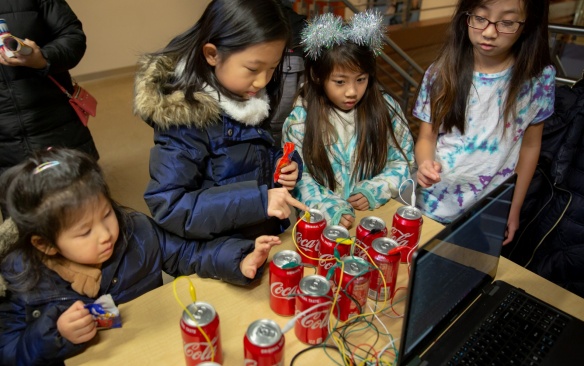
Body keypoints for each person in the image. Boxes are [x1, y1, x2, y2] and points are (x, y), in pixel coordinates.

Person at [0, 148, 282, 365]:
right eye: (85, 231)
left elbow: (187, 253)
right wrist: (54, 334)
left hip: (154, 344)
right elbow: (11, 352)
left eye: (107, 213)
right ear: (46, 245)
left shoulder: (136, 232)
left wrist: (239, 259)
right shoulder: (22, 280)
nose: (105, 234)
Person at [134, 0, 309, 241]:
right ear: (212, 54)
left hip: (258, 239)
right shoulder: (185, 121)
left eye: (272, 68)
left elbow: (250, 157)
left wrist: (284, 164)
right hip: (218, 254)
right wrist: (257, 201)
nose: (262, 81)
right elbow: (170, 206)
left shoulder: (249, 96)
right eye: (253, 68)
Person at [413, 0, 555, 245]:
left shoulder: (538, 80)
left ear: (526, 25)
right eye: (480, 18)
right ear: (465, 17)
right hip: (433, 204)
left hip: (486, 212)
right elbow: (427, 137)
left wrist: (514, 206)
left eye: (507, 22)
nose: (489, 32)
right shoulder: (440, 73)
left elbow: (530, 148)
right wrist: (425, 163)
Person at [282, 11, 415, 228]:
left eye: (360, 79)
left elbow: (402, 161)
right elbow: (299, 176)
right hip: (320, 224)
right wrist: (326, 205)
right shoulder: (300, 119)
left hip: (371, 218)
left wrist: (375, 189)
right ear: (317, 76)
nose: (352, 91)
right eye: (340, 82)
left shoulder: (386, 109)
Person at [0, 0, 99, 182]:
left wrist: (42, 59)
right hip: (5, 147)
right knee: (20, 204)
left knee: (84, 201)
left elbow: (72, 37)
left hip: (54, 124)